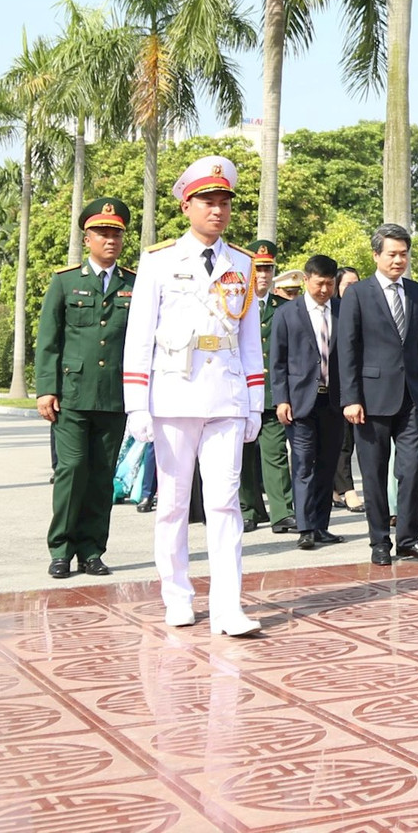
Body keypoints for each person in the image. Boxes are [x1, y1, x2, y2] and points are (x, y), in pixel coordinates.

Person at [122, 155, 265, 637]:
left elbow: (249, 339)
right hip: (174, 393)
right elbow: (139, 335)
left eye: (224, 201)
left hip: (225, 394)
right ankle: (177, 595)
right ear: (187, 205)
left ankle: (228, 607)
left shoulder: (241, 262)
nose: (217, 210)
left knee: (225, 502)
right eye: (207, 201)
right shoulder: (159, 260)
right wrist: (137, 403)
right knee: (174, 503)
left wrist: (254, 400)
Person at [34, 197, 137, 578]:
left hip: (114, 394)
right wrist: (46, 388)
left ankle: (92, 550)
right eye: (102, 233)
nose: (110, 240)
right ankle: (61, 548)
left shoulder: (134, 284)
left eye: (116, 233)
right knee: (72, 470)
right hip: (73, 394)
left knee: (100, 476)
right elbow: (48, 339)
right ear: (87, 237)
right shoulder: (65, 281)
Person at [338, 224, 418, 567]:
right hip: (370, 399)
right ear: (376, 255)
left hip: (411, 398)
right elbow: (348, 349)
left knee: (412, 470)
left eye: (403, 254)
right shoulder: (358, 294)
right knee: (374, 472)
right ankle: (379, 541)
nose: (399, 260)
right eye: (392, 254)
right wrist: (350, 397)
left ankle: (409, 539)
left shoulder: (417, 292)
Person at [271, 254, 347, 551]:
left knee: (328, 464)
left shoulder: (342, 310)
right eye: (320, 284)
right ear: (306, 280)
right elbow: (277, 362)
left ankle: (321, 525)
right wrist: (281, 400)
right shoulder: (288, 314)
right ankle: (304, 527)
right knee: (303, 464)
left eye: (330, 284)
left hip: (334, 401)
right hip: (300, 401)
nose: (325, 290)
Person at [239, 239, 295, 536]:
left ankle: (282, 512)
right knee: (245, 456)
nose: (263, 275)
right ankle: (249, 510)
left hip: (273, 394)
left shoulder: (284, 308)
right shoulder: (235, 304)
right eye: (258, 268)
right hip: (242, 392)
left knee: (274, 454)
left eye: (268, 268)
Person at [333, 266, 363, 512]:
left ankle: (337, 488)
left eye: (356, 284)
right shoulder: (333, 311)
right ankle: (347, 490)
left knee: (353, 440)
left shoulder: (365, 308)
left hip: (362, 383)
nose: (352, 289)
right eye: (347, 285)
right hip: (336, 384)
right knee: (342, 440)